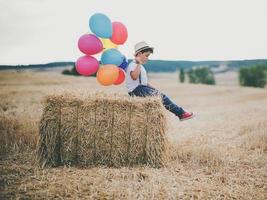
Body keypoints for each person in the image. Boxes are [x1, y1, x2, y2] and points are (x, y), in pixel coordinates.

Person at [126, 41, 194, 121]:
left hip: (142, 88)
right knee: (162, 98)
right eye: (146, 55)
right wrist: (139, 63)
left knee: (161, 96)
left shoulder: (139, 66)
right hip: (137, 90)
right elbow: (134, 77)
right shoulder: (133, 65)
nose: (147, 58)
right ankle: (181, 113)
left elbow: (144, 83)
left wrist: (154, 89)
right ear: (139, 54)